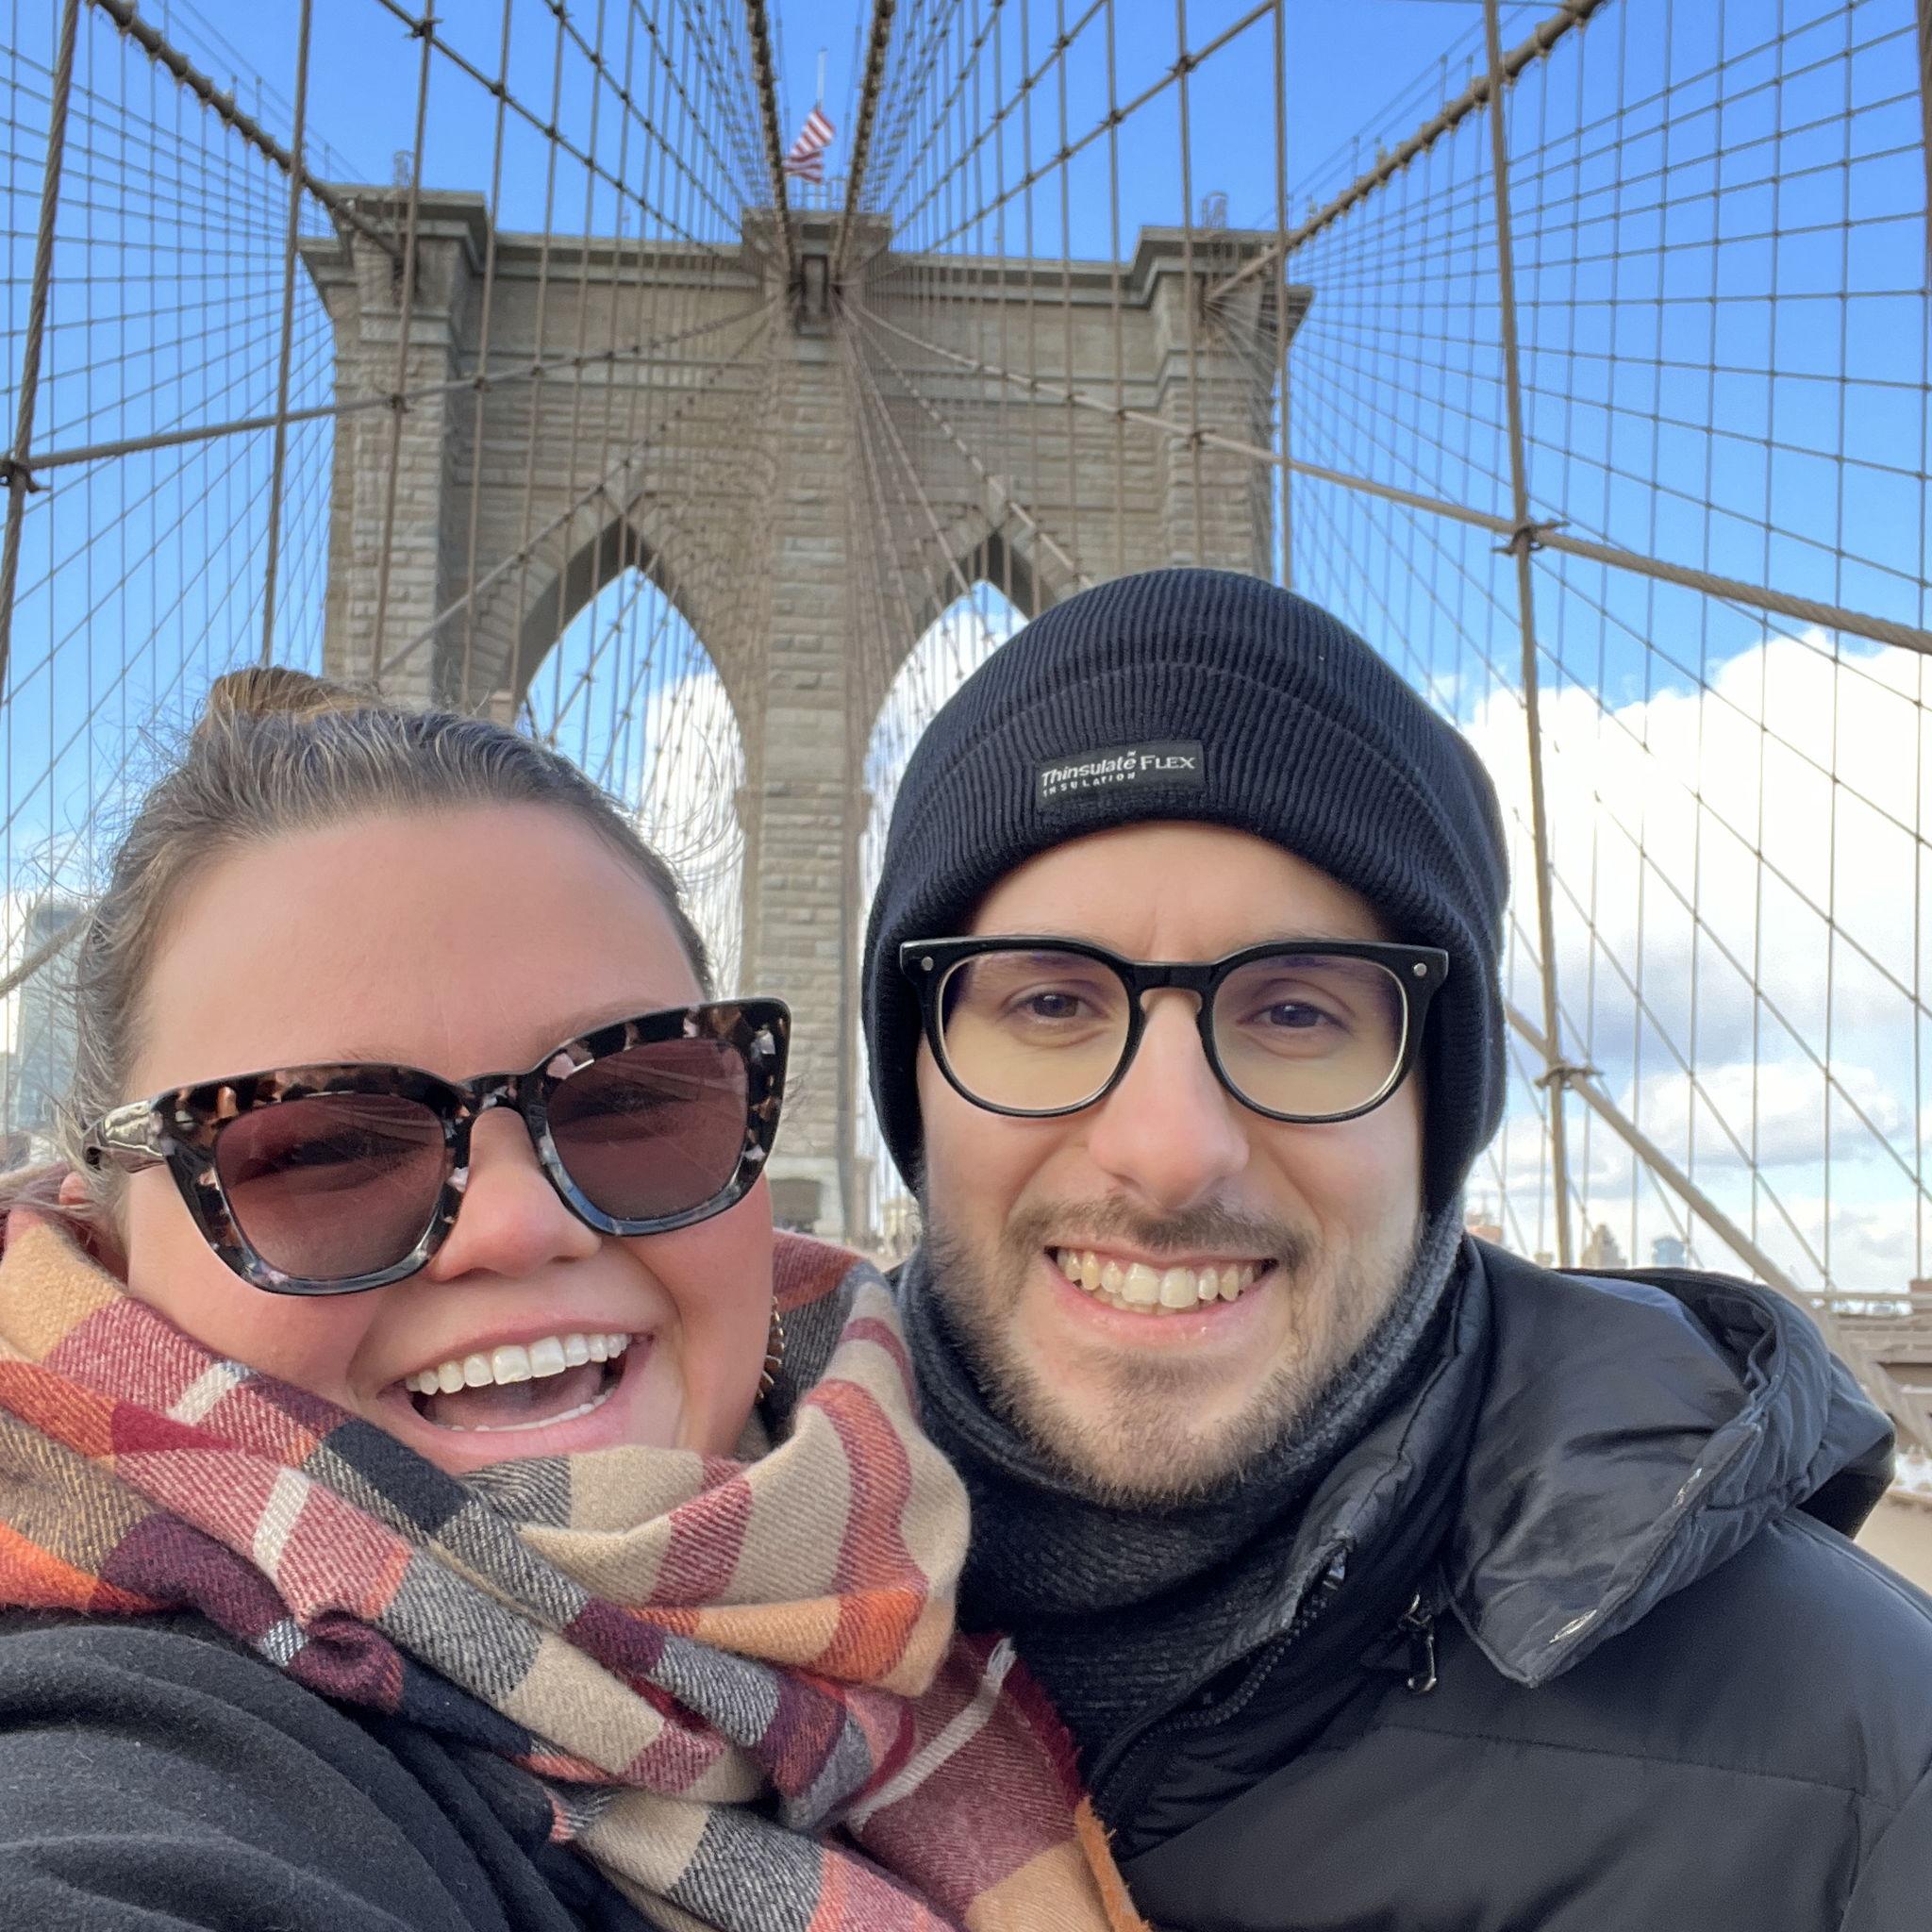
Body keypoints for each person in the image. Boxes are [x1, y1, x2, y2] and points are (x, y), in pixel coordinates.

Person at [860, 567, 1932, 1930]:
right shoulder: (612, 1636)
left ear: (1443, 1111)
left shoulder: (1864, 1767)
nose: (1172, 1148)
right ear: (916, 1088)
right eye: (1053, 999)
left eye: (1298, 1012)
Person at [0, 669, 1144, 1932]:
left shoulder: (971, 1572)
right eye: (319, 1148)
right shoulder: (130, 1753)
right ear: (104, 1241)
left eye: (631, 1098)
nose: (520, 1225)